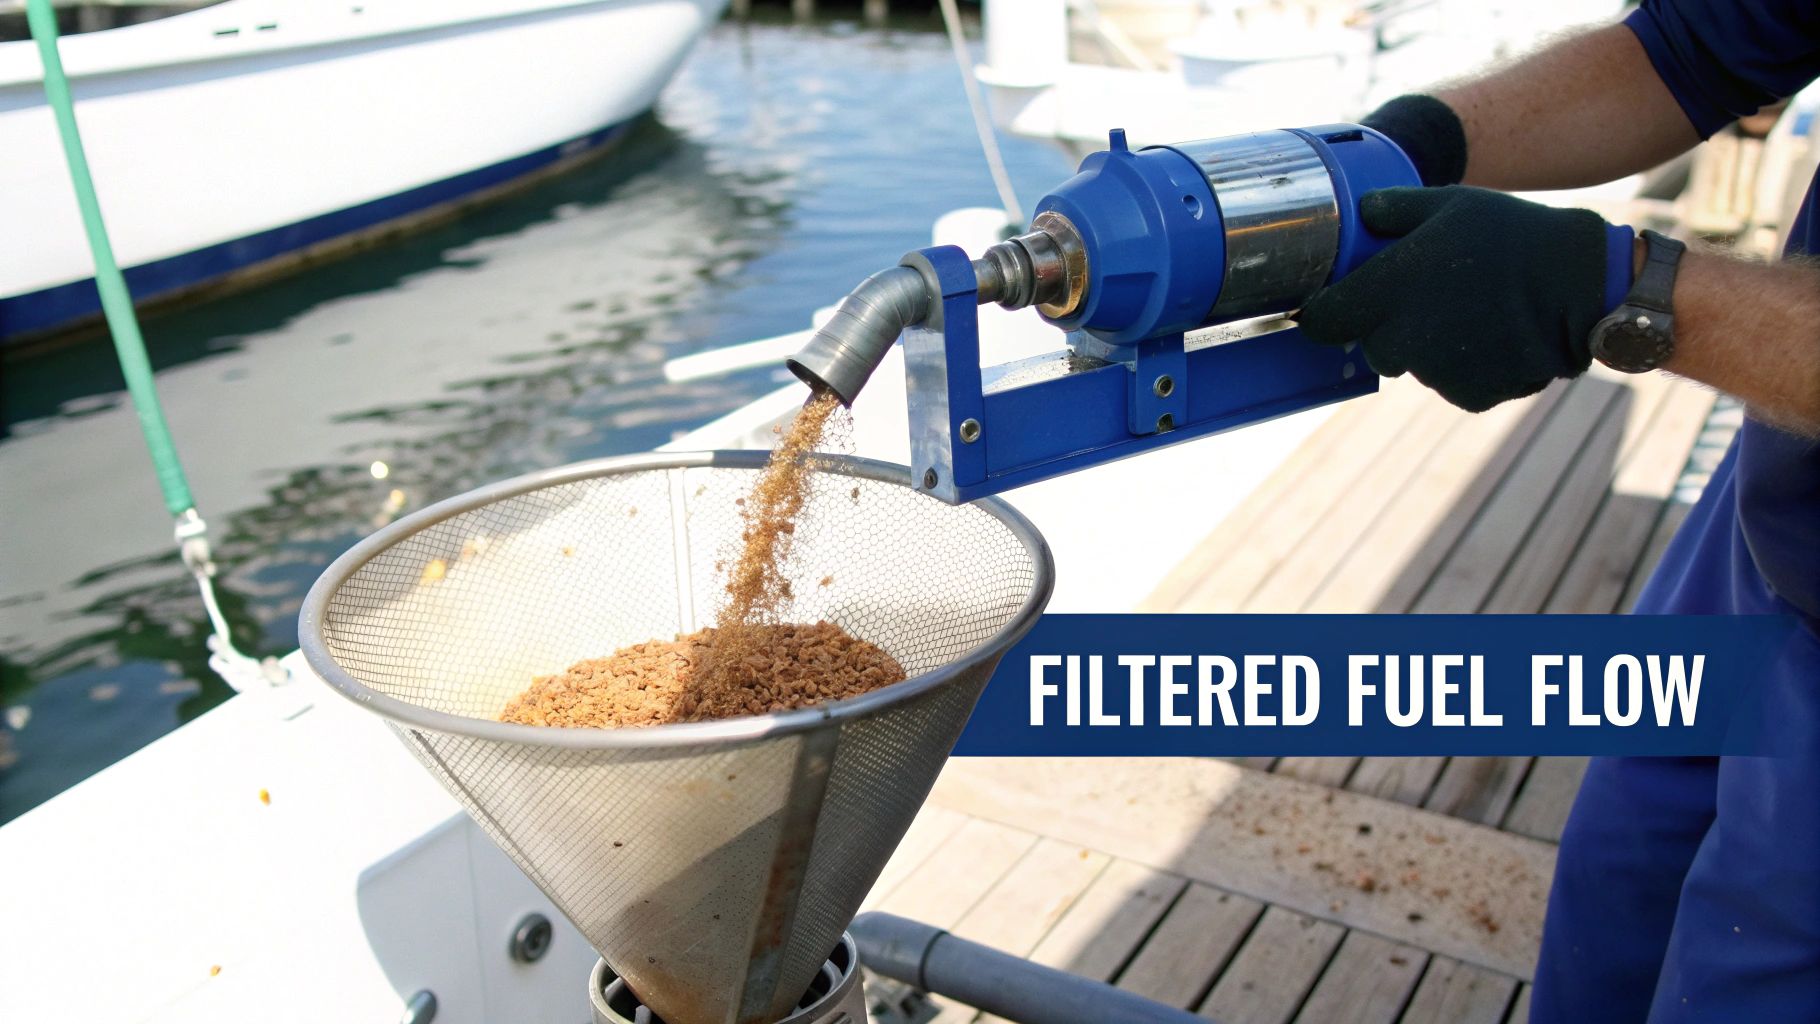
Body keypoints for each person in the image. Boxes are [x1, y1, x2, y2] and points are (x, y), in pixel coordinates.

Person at [1292, 2, 1820, 1020]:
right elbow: (1691, 49)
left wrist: (1621, 291)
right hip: (1772, 510)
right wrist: (1403, 146)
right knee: (1618, 882)